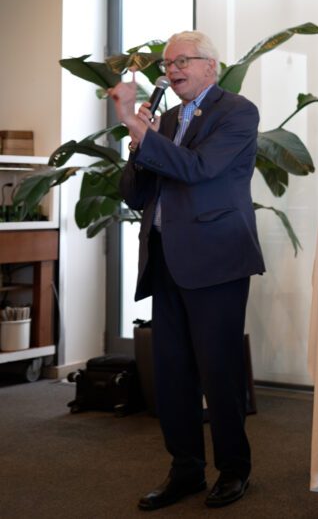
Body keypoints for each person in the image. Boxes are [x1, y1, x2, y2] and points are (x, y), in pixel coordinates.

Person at [110, 31, 265, 510]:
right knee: (173, 374)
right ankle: (186, 470)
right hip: (165, 256)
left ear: (210, 67)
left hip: (216, 258)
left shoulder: (237, 112)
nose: (171, 69)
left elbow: (199, 170)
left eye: (182, 60)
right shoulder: (168, 118)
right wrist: (139, 143)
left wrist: (139, 133)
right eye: (167, 62)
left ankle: (233, 469)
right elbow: (135, 195)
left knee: (218, 371)